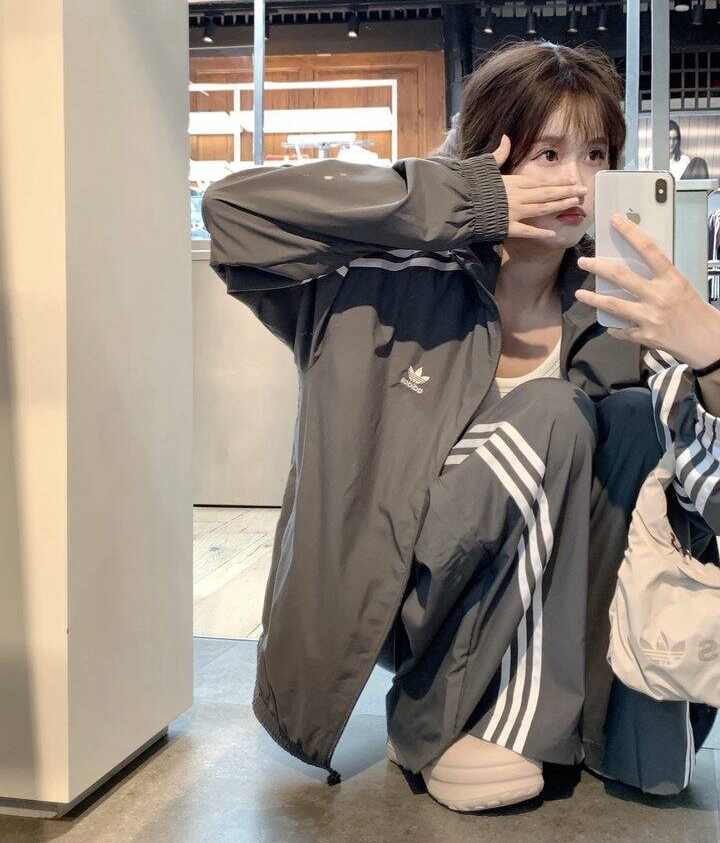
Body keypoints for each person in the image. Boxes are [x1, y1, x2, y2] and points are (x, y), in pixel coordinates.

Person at [202, 41, 720, 813]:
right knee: (553, 412)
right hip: (410, 598)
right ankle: (446, 719)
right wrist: (458, 199)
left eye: (596, 155)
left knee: (635, 421)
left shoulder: (619, 315)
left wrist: (712, 358)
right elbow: (233, 214)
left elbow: (703, 503)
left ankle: (619, 732)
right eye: (547, 154)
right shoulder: (388, 284)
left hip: (562, 616)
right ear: (491, 158)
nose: (576, 182)